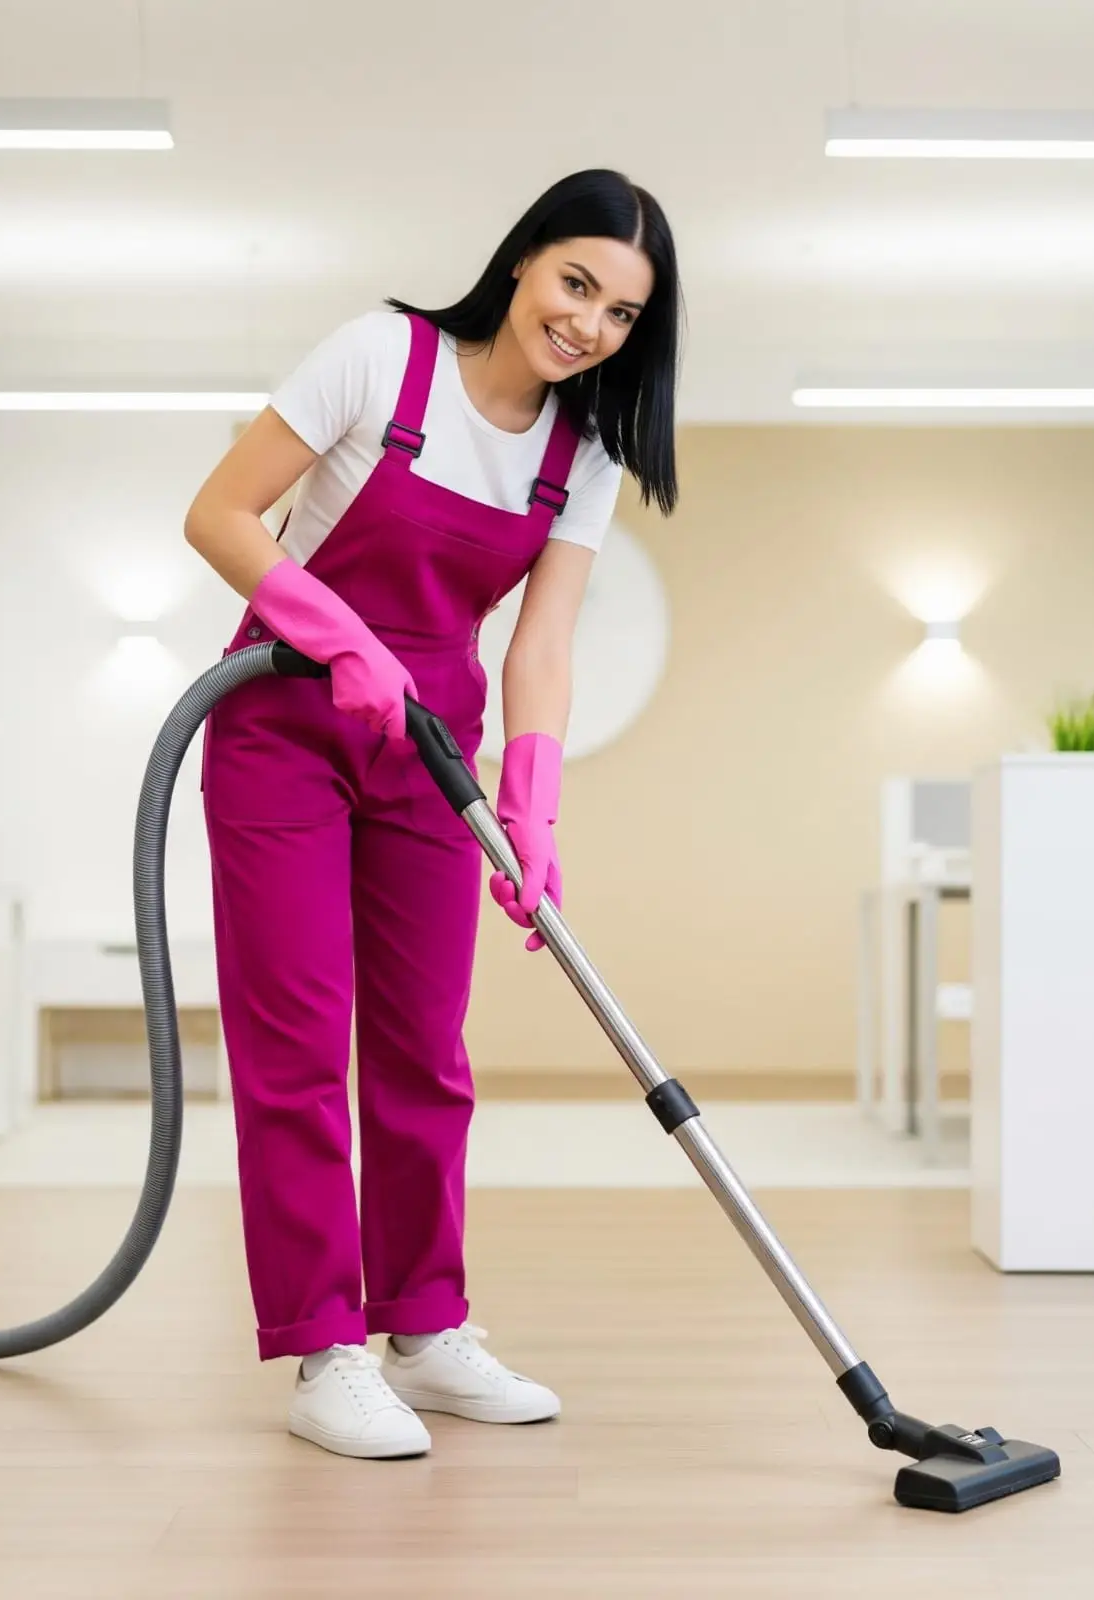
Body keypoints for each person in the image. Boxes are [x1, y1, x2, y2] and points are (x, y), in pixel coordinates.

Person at [183, 168, 682, 1459]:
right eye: (578, 284)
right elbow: (222, 516)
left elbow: (544, 645)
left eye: (622, 314)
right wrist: (334, 634)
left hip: (429, 746)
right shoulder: (379, 359)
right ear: (524, 261)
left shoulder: (585, 455)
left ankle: (428, 1326)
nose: (589, 326)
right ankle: (324, 1352)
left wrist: (536, 802)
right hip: (284, 722)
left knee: (425, 1048)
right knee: (298, 1046)